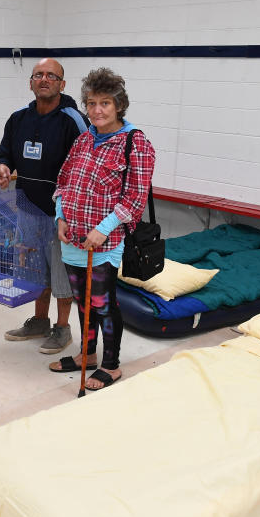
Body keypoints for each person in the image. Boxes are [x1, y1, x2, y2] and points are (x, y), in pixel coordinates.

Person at [49, 67, 156, 390]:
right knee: (83, 303)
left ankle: (110, 365)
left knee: (102, 303)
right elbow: (63, 182)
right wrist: (60, 217)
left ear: (119, 105)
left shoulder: (135, 142)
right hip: (73, 239)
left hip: (104, 243)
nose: (97, 110)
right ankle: (87, 355)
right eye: (92, 103)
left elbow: (135, 198)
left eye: (105, 103)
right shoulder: (83, 140)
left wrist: (105, 228)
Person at [0, 58, 87, 354]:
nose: (44, 79)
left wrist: (71, 211)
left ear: (62, 84)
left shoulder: (73, 119)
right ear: (31, 82)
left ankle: (62, 328)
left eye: (51, 75)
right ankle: (38, 321)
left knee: (60, 272)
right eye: (39, 75)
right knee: (33, 269)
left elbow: (84, 167)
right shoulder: (18, 118)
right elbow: (5, 152)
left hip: (62, 213)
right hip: (28, 209)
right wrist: (4, 166)